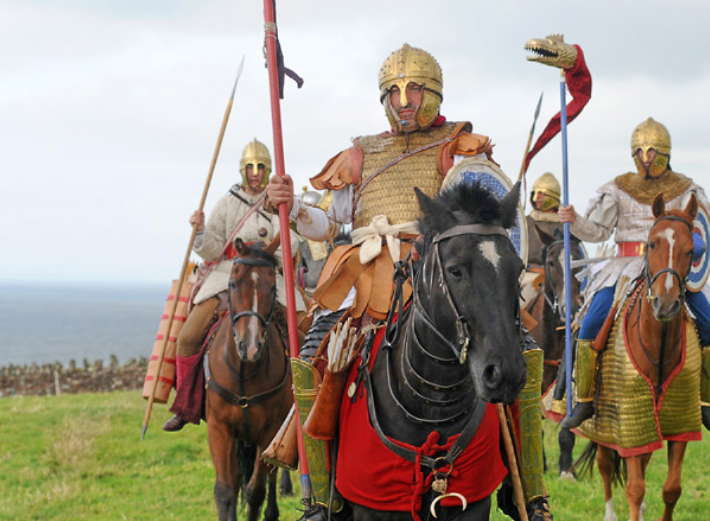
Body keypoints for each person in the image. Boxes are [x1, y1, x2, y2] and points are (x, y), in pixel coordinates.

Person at [266, 44, 553, 521]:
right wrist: (292, 205)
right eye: (394, 91)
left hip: (440, 271)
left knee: (519, 347)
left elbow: (486, 214)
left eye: (414, 89)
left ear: (433, 93)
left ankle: (530, 489)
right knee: (317, 351)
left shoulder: (457, 147)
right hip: (369, 276)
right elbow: (329, 222)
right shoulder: (361, 154)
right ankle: (321, 497)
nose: (404, 100)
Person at [558, 117, 710, 436]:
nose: (646, 159)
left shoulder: (686, 189)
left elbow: (702, 230)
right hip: (624, 267)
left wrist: (693, 246)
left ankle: (704, 404)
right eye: (640, 152)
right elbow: (597, 232)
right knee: (591, 324)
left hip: (671, 266)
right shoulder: (618, 188)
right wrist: (574, 219)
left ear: (665, 153)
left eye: (653, 152)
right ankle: (585, 400)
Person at [162, 139, 305, 432]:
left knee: (305, 328)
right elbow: (213, 248)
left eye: (261, 166)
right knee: (187, 337)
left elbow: (289, 246)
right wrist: (200, 231)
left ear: (268, 170)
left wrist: (267, 255)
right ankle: (187, 405)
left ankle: (305, 405)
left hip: (267, 274)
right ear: (243, 169)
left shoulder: (277, 204)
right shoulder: (227, 203)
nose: (255, 172)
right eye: (250, 167)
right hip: (227, 274)